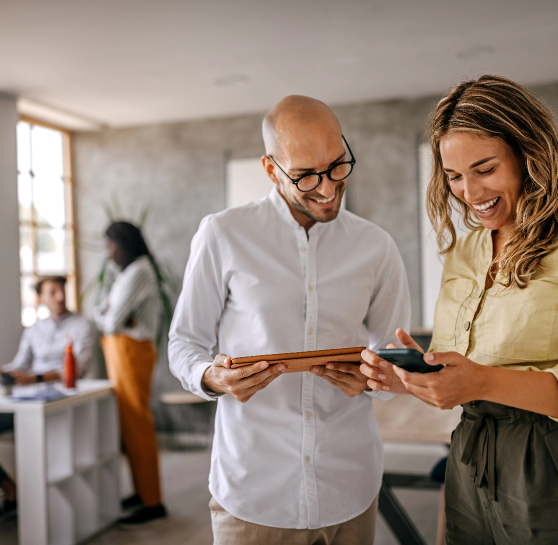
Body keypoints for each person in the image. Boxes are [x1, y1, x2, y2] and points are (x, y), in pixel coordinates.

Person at [360, 75, 558, 544]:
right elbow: (460, 366)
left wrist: (480, 381)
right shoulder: (465, 252)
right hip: (472, 461)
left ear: (529, 155)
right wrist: (407, 379)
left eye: (485, 169)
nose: (469, 192)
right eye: (454, 176)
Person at [168, 95, 411, 545]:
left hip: (350, 486)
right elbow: (184, 343)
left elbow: (393, 356)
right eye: (304, 176)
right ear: (270, 169)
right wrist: (212, 377)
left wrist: (383, 376)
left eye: (338, 165)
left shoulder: (377, 247)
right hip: (254, 491)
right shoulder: (222, 235)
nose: (327, 187)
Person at [0, 276, 93, 525]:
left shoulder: (81, 325)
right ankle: (10, 491)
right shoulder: (34, 330)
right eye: (52, 292)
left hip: (58, 405)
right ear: (41, 298)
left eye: (62, 290)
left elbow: (77, 370)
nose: (60, 296)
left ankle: (42, 509)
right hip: (25, 403)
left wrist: (34, 378)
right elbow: (18, 366)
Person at [93, 221, 167, 529]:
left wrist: (105, 313)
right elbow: (108, 313)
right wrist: (108, 312)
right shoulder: (128, 272)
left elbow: (108, 320)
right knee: (130, 426)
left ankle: (152, 502)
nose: (109, 253)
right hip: (123, 351)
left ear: (123, 244)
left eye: (111, 246)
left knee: (138, 424)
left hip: (131, 352)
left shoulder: (138, 271)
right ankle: (141, 493)